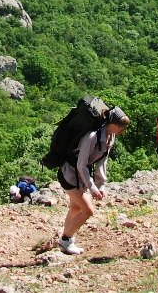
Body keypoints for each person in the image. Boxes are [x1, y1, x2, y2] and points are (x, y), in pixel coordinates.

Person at [58, 106, 131, 255]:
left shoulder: (110, 137)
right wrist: (92, 187)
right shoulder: (91, 137)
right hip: (70, 174)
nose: (122, 130)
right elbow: (81, 164)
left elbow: (102, 161)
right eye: (121, 127)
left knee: (76, 208)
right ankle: (66, 240)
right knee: (88, 210)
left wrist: (101, 185)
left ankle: (66, 239)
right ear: (113, 124)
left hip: (79, 177)